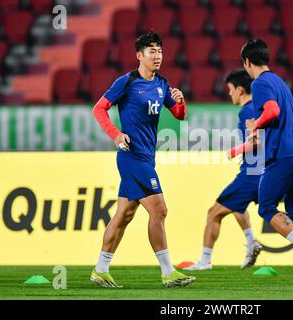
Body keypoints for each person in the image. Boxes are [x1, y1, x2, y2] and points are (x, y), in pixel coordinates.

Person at [90, 31, 195, 288]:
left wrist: (181, 101)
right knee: (159, 210)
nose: (157, 56)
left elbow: (179, 114)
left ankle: (100, 269)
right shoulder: (126, 82)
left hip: (147, 158)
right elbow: (99, 108)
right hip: (132, 156)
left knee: (124, 215)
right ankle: (168, 271)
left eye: (159, 51)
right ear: (139, 55)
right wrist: (115, 134)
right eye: (152, 51)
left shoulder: (161, 83)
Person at [241, 39, 293, 279]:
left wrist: (256, 123)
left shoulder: (260, 83)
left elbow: (272, 111)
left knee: (266, 207)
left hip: (282, 153)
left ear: (247, 62)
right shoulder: (280, 82)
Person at [185, 70, 263, 271]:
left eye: (230, 90)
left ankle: (204, 261)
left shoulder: (247, 111)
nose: (229, 94)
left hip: (252, 173)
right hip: (264, 171)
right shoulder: (260, 107)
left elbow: (256, 140)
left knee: (213, 213)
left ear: (240, 90)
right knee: (240, 205)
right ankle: (253, 241)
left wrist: (236, 150)